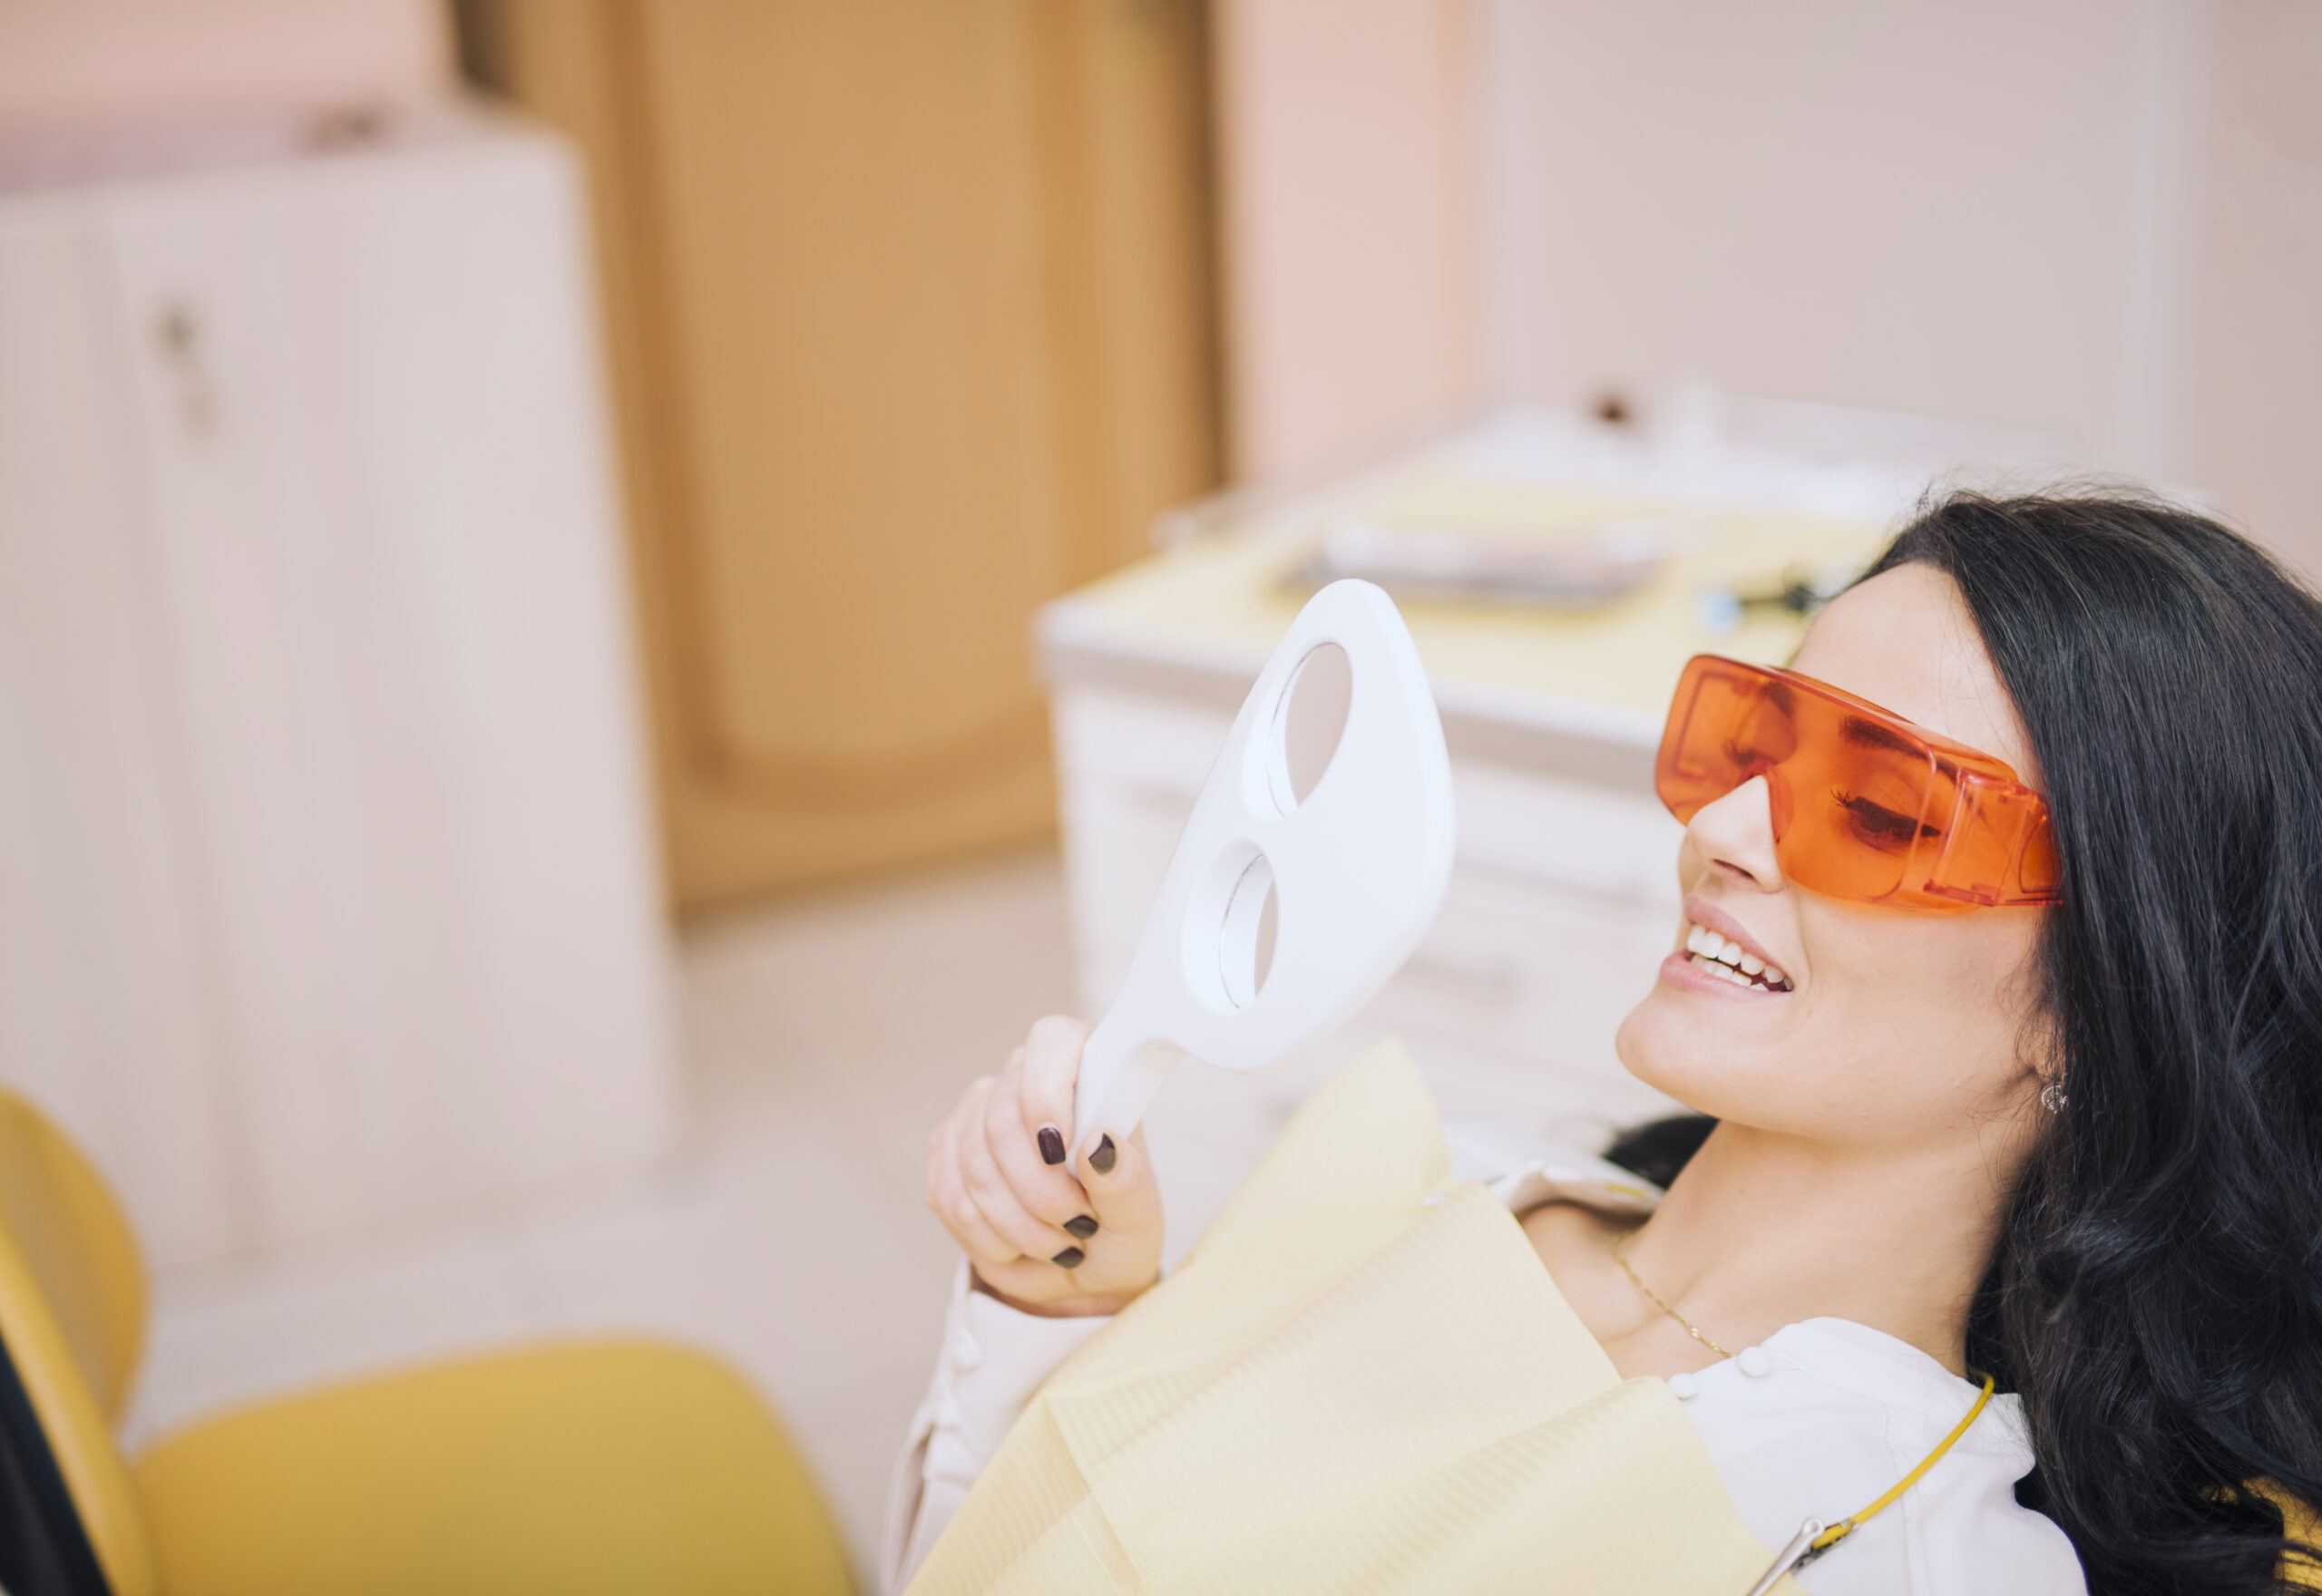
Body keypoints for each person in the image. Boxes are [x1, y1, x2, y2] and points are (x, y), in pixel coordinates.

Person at [888, 493, 2322, 1595]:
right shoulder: (1437, 1183)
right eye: (1759, 741)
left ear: (2103, 1003)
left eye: (1882, 809)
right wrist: (1057, 1311)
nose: (1723, 830)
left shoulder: (1896, 1549)